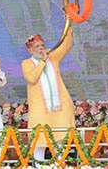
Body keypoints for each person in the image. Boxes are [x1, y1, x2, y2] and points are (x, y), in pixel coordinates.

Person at [21, 18, 75, 163]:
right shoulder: (27, 63)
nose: (41, 48)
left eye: (42, 45)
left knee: (60, 142)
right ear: (30, 50)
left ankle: (60, 165)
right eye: (37, 46)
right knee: (39, 144)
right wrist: (43, 62)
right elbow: (32, 78)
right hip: (41, 112)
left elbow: (66, 44)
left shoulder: (54, 58)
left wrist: (68, 25)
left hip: (59, 109)